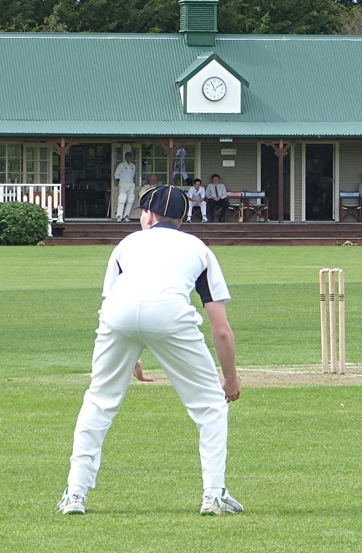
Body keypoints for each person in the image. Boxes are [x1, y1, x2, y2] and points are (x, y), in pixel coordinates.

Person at [57, 184, 243, 517]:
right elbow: (221, 329)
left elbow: (118, 305)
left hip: (118, 316)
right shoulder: (198, 248)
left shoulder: (126, 244)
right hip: (170, 315)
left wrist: (132, 355)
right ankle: (214, 495)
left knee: (99, 400)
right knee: (211, 406)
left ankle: (75, 494)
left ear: (150, 215)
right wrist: (229, 379)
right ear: (182, 219)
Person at [114, 149, 136, 222]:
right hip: (123, 184)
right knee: (122, 199)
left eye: (130, 157)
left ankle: (126, 216)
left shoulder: (133, 166)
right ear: (125, 157)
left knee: (130, 199)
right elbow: (116, 175)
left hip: (131, 184)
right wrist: (122, 179)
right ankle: (119, 216)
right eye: (128, 157)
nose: (129, 158)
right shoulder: (121, 165)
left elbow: (133, 175)